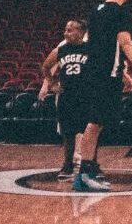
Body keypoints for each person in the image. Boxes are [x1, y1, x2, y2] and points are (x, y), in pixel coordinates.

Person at [72, 0, 132, 192]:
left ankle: (88, 171)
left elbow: (98, 46)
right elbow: (125, 43)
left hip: (96, 72)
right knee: (94, 122)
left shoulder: (96, 11)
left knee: (97, 122)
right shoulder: (119, 12)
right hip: (104, 75)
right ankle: (83, 175)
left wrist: (122, 73)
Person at [38, 20, 91, 180]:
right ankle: (67, 165)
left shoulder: (91, 49)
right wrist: (52, 84)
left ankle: (89, 165)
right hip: (67, 95)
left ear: (81, 33)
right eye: (65, 30)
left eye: (70, 30)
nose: (65, 33)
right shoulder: (60, 50)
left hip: (86, 95)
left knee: (88, 132)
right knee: (68, 133)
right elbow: (45, 67)